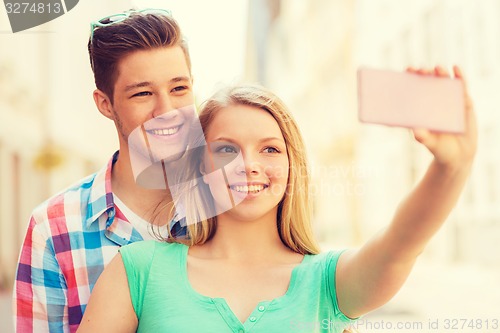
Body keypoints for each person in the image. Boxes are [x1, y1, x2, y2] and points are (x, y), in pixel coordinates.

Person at [77, 67, 477, 333]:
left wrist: (451, 168)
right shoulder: (138, 270)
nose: (249, 166)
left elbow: (400, 246)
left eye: (269, 149)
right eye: (227, 150)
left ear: (291, 165)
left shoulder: (326, 282)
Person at [13, 9, 195, 332]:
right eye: (143, 93)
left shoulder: (224, 213)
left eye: (179, 89)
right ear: (105, 104)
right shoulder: (53, 231)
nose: (167, 111)